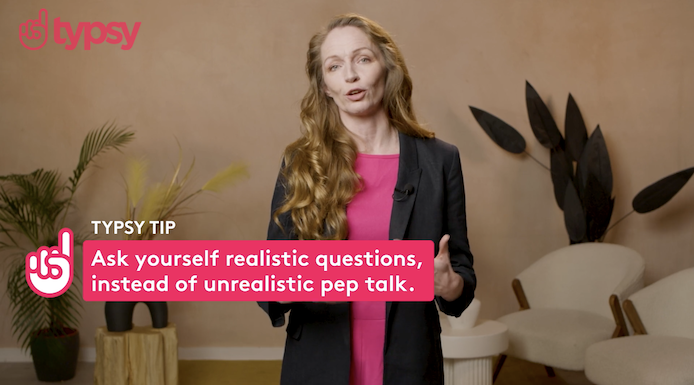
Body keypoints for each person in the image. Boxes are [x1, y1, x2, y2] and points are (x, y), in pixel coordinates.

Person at [258, 13, 476, 385]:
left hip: (410, 363)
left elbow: (460, 279)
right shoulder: (300, 162)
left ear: (386, 68)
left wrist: (447, 284)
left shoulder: (441, 160)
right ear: (325, 85)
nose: (350, 76)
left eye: (362, 59)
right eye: (334, 66)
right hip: (318, 361)